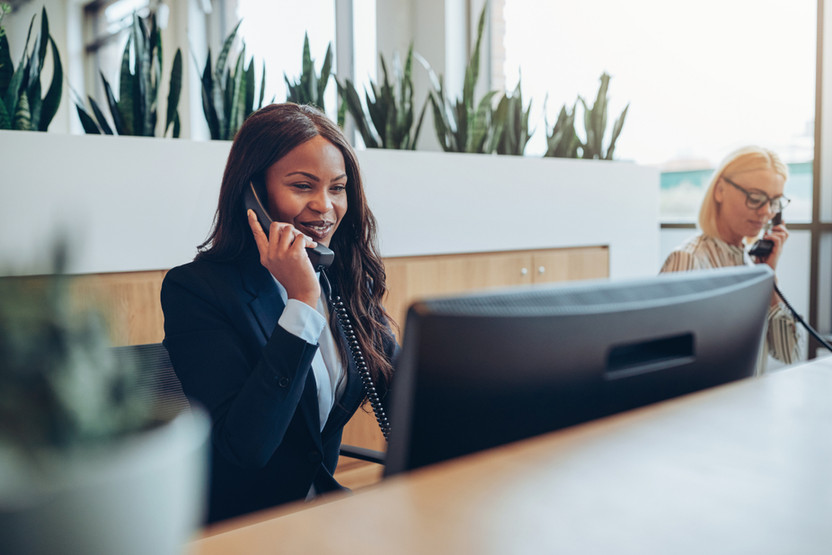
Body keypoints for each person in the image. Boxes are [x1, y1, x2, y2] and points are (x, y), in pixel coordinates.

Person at [161, 103, 398, 524]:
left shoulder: (344, 282)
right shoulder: (196, 291)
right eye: (303, 186)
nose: (324, 206)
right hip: (245, 527)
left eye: (337, 188)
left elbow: (403, 392)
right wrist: (302, 302)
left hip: (326, 515)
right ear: (253, 193)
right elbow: (246, 447)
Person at [660, 145, 801, 373]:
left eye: (775, 202)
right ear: (720, 191)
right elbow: (664, 359)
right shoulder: (688, 259)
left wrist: (769, 276)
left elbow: (789, 353)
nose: (766, 212)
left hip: (746, 403)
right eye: (756, 198)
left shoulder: (753, 264)